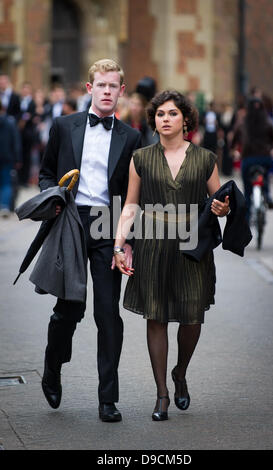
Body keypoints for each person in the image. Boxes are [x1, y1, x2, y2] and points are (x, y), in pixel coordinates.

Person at [112, 90, 230, 421]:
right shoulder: (141, 158)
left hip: (193, 246)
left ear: (186, 120)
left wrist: (222, 207)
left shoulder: (206, 158)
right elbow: (131, 206)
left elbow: (219, 203)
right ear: (155, 121)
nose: (166, 119)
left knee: (192, 317)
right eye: (161, 114)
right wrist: (119, 246)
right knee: (157, 316)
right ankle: (162, 393)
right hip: (153, 246)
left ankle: (180, 372)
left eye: (172, 113)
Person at [39, 59, 141, 422]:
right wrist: (51, 198)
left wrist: (128, 241)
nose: (108, 91)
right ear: (89, 89)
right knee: (69, 309)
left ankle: (107, 399)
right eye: (101, 85)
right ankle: (53, 366)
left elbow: (135, 195)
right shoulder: (64, 127)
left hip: (107, 225)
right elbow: (47, 172)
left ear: (122, 91)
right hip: (70, 219)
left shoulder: (132, 137)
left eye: (114, 86)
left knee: (107, 313)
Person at [231, 97, 273, 221]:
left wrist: (234, 151)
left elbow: (234, 140)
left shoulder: (242, 122)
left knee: (247, 190)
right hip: (265, 158)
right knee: (265, 176)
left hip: (248, 159)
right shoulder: (267, 122)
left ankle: (246, 219)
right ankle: (267, 195)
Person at [0, 99, 22, 216]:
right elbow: (16, 141)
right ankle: (4, 206)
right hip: (7, 156)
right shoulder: (10, 122)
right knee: (6, 183)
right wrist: (18, 158)